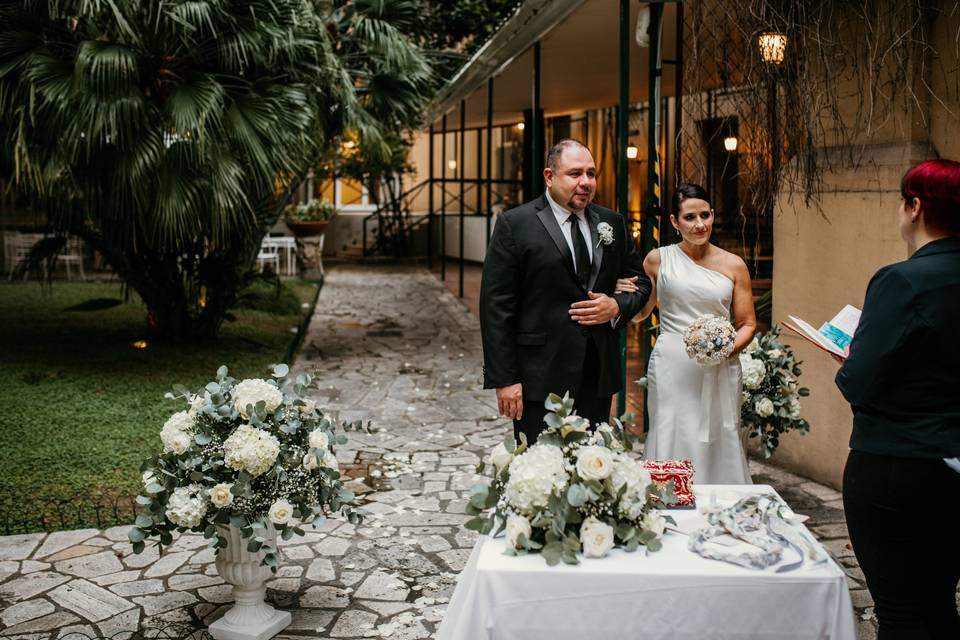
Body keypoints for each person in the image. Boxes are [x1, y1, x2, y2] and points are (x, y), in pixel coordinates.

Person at [835, 159, 960, 640]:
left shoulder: (901, 281)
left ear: (915, 207)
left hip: (899, 467)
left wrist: (847, 359)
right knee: (940, 602)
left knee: (902, 612)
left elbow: (857, 382)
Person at [479, 139, 652, 445]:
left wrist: (616, 306)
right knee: (539, 474)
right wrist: (505, 379)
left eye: (591, 173)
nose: (586, 182)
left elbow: (640, 282)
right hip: (539, 375)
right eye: (575, 174)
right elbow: (496, 307)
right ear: (549, 176)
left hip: (596, 373)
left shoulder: (612, 223)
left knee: (591, 469)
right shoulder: (515, 224)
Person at [616, 183, 756, 484]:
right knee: (670, 428)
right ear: (674, 222)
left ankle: (718, 503)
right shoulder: (658, 259)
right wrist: (624, 301)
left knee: (718, 433)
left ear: (713, 215)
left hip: (719, 364)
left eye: (705, 215)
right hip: (671, 363)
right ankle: (669, 501)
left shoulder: (734, 265)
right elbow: (642, 313)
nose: (699, 224)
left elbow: (747, 324)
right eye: (690, 217)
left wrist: (722, 350)